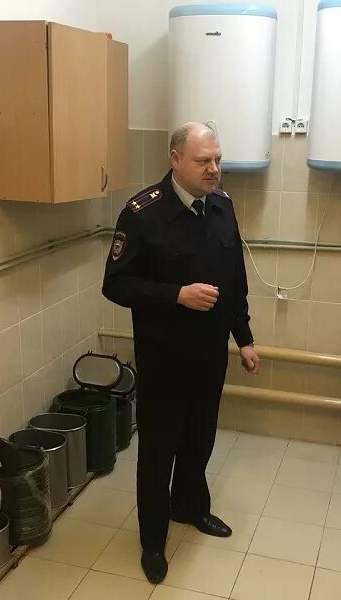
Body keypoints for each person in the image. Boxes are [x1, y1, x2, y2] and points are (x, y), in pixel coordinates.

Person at [102, 122, 261, 584]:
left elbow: (235, 280)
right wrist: (176, 295)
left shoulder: (222, 206)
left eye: (217, 160)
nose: (214, 169)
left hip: (210, 354)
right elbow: (115, 285)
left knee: (200, 438)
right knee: (158, 450)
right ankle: (153, 540)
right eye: (203, 161)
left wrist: (244, 337)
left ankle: (191, 507)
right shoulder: (142, 214)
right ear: (175, 159)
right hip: (164, 358)